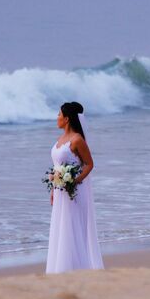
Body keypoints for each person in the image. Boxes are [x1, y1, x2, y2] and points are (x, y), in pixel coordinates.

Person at [45, 101, 104, 273]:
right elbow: (57, 166)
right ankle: (60, 267)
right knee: (61, 227)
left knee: (72, 227)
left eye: (59, 114)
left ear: (67, 118)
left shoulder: (77, 139)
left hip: (74, 192)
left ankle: (76, 268)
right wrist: (53, 189)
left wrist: (75, 181)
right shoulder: (60, 139)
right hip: (60, 190)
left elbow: (89, 164)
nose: (57, 118)